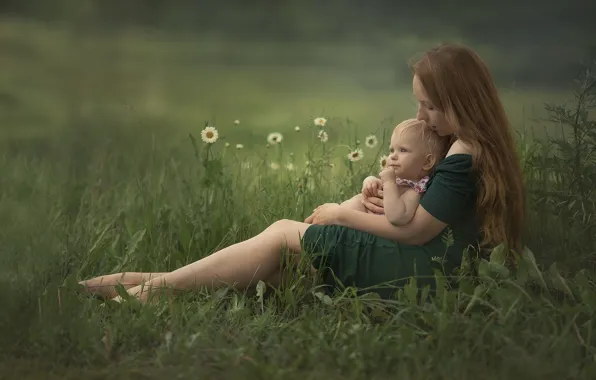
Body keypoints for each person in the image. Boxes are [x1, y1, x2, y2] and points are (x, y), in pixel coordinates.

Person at [79, 43, 526, 302]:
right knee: (279, 266)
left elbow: (416, 233)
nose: (421, 115)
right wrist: (378, 193)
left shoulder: (464, 151)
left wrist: (341, 214)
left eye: (429, 105)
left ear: (460, 100)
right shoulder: (468, 143)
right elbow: (422, 211)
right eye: (419, 103)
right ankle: (154, 284)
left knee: (281, 236)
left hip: (425, 271)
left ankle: (156, 289)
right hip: (431, 267)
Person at [340, 118, 450, 228]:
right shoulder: (398, 180)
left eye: (403, 150)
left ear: (427, 162)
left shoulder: (414, 191)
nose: (393, 156)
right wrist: (370, 182)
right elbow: (379, 189)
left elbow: (397, 217)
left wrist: (389, 183)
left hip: (358, 228)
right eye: (392, 150)